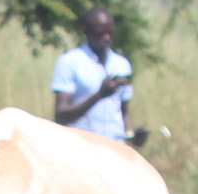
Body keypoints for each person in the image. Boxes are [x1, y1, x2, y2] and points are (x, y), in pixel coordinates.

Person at [52, 9, 139, 143]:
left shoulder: (122, 64)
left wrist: (133, 134)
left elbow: (123, 112)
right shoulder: (70, 62)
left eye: (110, 32)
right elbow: (61, 115)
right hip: (81, 146)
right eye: (100, 33)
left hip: (115, 148)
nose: (106, 38)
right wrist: (98, 96)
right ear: (86, 31)